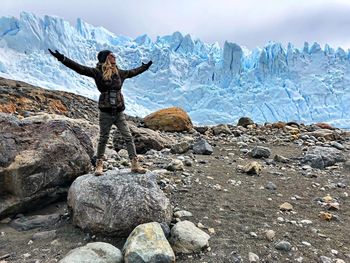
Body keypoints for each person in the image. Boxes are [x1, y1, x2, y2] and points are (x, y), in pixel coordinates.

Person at [48, 48, 152, 175]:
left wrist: (145, 67)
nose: (115, 57)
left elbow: (134, 72)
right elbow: (80, 68)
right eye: (112, 55)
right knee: (103, 138)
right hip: (105, 112)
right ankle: (99, 165)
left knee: (128, 137)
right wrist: (62, 58)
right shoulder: (97, 72)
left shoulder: (120, 73)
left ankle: (135, 164)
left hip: (119, 112)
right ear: (106, 59)